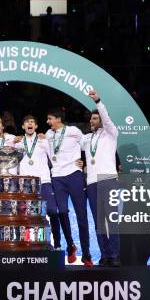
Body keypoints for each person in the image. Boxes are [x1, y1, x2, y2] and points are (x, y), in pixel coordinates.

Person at [14, 115, 76, 259]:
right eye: (27, 122)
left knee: (53, 212)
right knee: (28, 217)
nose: (30, 124)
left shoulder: (44, 140)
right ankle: (29, 247)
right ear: (23, 126)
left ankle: (59, 245)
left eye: (32, 122)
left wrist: (76, 162)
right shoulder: (16, 143)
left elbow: (57, 157)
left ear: (36, 126)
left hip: (44, 182)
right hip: (26, 185)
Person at [46, 107, 91, 267]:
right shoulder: (48, 134)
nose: (48, 122)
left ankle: (86, 255)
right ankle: (71, 245)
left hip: (74, 175)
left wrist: (85, 162)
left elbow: (88, 145)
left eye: (50, 118)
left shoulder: (73, 131)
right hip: (57, 177)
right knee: (62, 212)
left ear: (58, 119)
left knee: (81, 216)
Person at [80, 90, 120, 267]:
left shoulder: (111, 133)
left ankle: (115, 254)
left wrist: (97, 101)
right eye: (90, 119)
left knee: (111, 219)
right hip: (92, 182)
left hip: (108, 178)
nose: (91, 121)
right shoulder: (87, 139)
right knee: (98, 222)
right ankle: (104, 254)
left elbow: (105, 116)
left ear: (102, 120)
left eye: (95, 119)